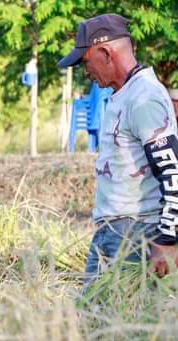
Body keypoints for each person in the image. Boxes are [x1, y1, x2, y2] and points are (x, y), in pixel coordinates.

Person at [58, 14, 178, 283]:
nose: (85, 72)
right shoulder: (124, 95)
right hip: (114, 231)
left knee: (110, 320)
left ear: (106, 53)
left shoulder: (144, 98)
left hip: (134, 234)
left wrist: (169, 238)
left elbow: (172, 169)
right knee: (93, 318)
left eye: (86, 62)